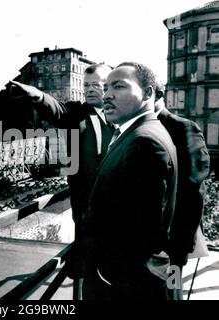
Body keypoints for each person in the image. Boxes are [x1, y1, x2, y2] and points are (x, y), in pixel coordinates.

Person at [8, 63, 114, 296]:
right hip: (86, 204)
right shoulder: (76, 113)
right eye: (86, 85)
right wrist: (36, 95)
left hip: (116, 204)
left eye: (97, 84)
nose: (90, 90)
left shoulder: (118, 115)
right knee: (90, 269)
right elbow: (56, 109)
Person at [84, 62, 178, 300]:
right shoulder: (139, 133)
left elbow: (140, 231)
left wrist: (106, 275)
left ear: (148, 93)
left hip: (124, 285)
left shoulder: (143, 142)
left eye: (118, 87)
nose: (107, 95)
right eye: (106, 88)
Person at [154, 80, 210, 299]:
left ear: (156, 94)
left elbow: (195, 188)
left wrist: (182, 243)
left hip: (172, 241)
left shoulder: (183, 127)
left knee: (172, 291)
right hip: (147, 240)